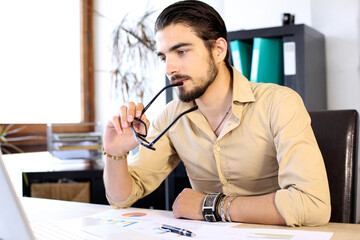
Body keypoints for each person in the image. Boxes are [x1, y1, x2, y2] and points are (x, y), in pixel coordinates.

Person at [103, 0, 330, 226]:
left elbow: (312, 205)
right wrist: (115, 154)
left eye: (181, 51)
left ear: (219, 50)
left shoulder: (279, 103)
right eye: (163, 57)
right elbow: (121, 197)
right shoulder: (171, 116)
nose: (169, 69)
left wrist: (210, 206)